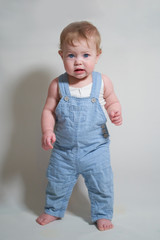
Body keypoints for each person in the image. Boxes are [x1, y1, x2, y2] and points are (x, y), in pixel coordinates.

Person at [36, 21, 122, 231]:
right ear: (61, 55)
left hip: (96, 149)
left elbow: (112, 100)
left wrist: (114, 111)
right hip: (64, 150)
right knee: (57, 181)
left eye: (85, 55)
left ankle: (102, 214)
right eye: (71, 55)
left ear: (97, 55)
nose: (78, 62)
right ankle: (53, 209)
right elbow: (48, 110)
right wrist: (47, 130)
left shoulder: (103, 82)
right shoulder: (58, 85)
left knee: (101, 183)